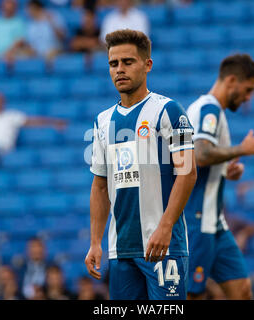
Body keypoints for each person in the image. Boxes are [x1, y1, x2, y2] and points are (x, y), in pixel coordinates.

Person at [85, 29, 197, 300]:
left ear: (147, 65)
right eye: (114, 64)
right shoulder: (102, 122)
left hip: (163, 246)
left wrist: (165, 226)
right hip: (121, 251)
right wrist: (95, 242)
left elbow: (188, 172)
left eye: (128, 62)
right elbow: (100, 186)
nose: (119, 70)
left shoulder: (170, 111)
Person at [184, 54, 254, 300]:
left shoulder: (209, 110)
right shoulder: (209, 109)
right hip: (196, 219)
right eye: (247, 89)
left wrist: (226, 170)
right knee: (192, 295)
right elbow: (201, 154)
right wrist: (242, 149)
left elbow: (204, 158)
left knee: (242, 291)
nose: (249, 97)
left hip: (215, 221)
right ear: (231, 80)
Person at [0, 92, 66, 151]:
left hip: (6, 152)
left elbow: (31, 122)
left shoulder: (11, 116)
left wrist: (53, 122)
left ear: (3, 103)